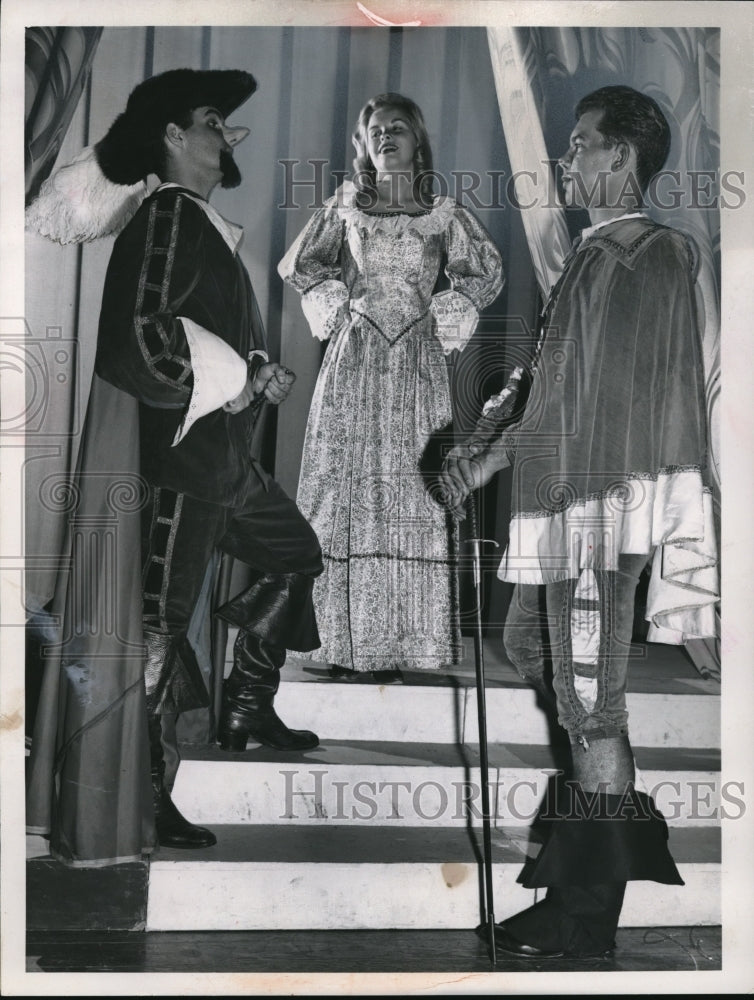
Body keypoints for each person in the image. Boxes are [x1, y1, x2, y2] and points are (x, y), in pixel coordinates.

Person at [441, 85, 717, 958]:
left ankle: (585, 914)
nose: (566, 160)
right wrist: (486, 439)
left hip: (599, 507)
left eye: (580, 144)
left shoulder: (648, 254)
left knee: (589, 703)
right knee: (533, 647)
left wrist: (493, 457)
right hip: (566, 502)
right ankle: (596, 838)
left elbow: (593, 396)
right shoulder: (597, 255)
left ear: (620, 157)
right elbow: (551, 379)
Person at [27, 69, 323, 859]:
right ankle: (146, 792)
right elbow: (143, 335)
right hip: (177, 466)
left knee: (296, 553)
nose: (229, 135)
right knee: (154, 627)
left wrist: (255, 372)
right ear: (172, 136)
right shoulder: (166, 214)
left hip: (220, 462)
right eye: (213, 121)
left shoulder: (199, 222)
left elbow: (194, 332)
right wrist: (230, 382)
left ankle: (246, 702)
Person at [278, 93, 503, 681]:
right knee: (342, 489)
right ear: (363, 144)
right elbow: (302, 266)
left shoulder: (443, 213)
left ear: (417, 140)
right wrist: (340, 306)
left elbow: (486, 271)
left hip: (417, 364)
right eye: (374, 130)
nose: (385, 136)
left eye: (397, 127)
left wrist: (443, 314)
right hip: (354, 362)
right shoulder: (345, 207)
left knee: (413, 492)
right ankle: (334, 643)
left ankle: (402, 645)